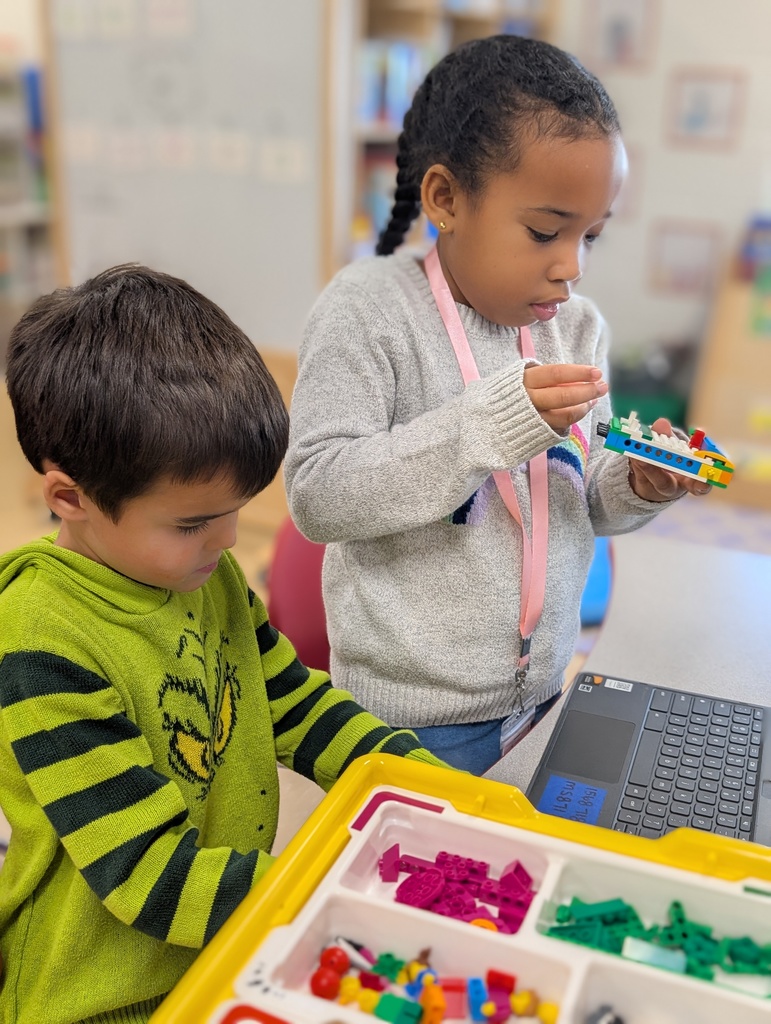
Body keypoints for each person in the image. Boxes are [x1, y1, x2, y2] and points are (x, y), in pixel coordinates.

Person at [0, 266, 451, 1024]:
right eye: (191, 523)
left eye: (234, 511)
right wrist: (333, 892)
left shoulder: (199, 578)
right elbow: (148, 876)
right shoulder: (41, 644)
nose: (229, 540)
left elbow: (295, 705)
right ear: (70, 498)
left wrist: (425, 784)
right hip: (103, 994)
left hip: (216, 945)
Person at [284, 35, 710, 777]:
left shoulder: (574, 328)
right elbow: (319, 495)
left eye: (591, 235)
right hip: (408, 721)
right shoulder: (367, 312)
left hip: (542, 693)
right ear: (445, 199)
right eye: (545, 231)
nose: (570, 266)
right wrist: (488, 422)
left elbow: (585, 496)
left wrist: (636, 483)